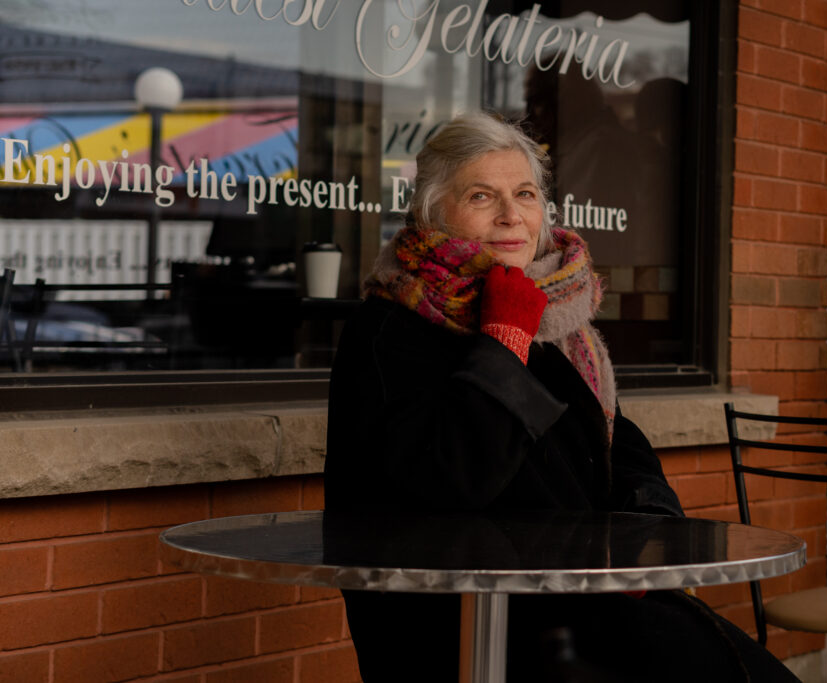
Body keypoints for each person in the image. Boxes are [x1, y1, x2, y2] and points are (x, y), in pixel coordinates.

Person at [323, 112, 799, 683]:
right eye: (481, 195)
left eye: (525, 193)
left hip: (586, 599)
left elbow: (617, 445)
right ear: (430, 212)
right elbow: (449, 479)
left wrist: (647, 535)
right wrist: (505, 340)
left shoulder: (553, 321)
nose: (511, 216)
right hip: (470, 621)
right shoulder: (390, 327)